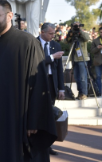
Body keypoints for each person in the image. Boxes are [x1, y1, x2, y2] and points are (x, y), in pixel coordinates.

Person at [0, 0, 56, 162]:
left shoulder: (28, 43)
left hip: (16, 122)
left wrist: (34, 121)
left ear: (9, 15)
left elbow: (38, 84)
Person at [38, 23, 65, 156]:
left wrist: (61, 88)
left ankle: (48, 145)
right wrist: (52, 57)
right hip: (38, 83)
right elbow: (36, 62)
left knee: (51, 115)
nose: (53, 36)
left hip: (51, 83)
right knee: (38, 113)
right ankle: (37, 143)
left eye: (54, 33)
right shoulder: (34, 44)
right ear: (42, 32)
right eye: (50, 33)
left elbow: (59, 69)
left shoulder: (56, 45)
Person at [66, 21, 90, 100]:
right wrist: (70, 32)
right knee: (76, 77)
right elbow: (66, 41)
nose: (76, 27)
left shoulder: (83, 34)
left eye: (78, 25)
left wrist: (79, 30)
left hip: (82, 59)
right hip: (74, 58)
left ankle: (84, 93)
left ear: (80, 26)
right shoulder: (72, 34)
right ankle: (80, 93)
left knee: (83, 77)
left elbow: (87, 38)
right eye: (74, 26)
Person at [91, 27, 102, 97]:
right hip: (98, 62)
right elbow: (92, 51)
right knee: (98, 77)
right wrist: (97, 48)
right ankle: (99, 92)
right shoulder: (95, 41)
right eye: (101, 32)